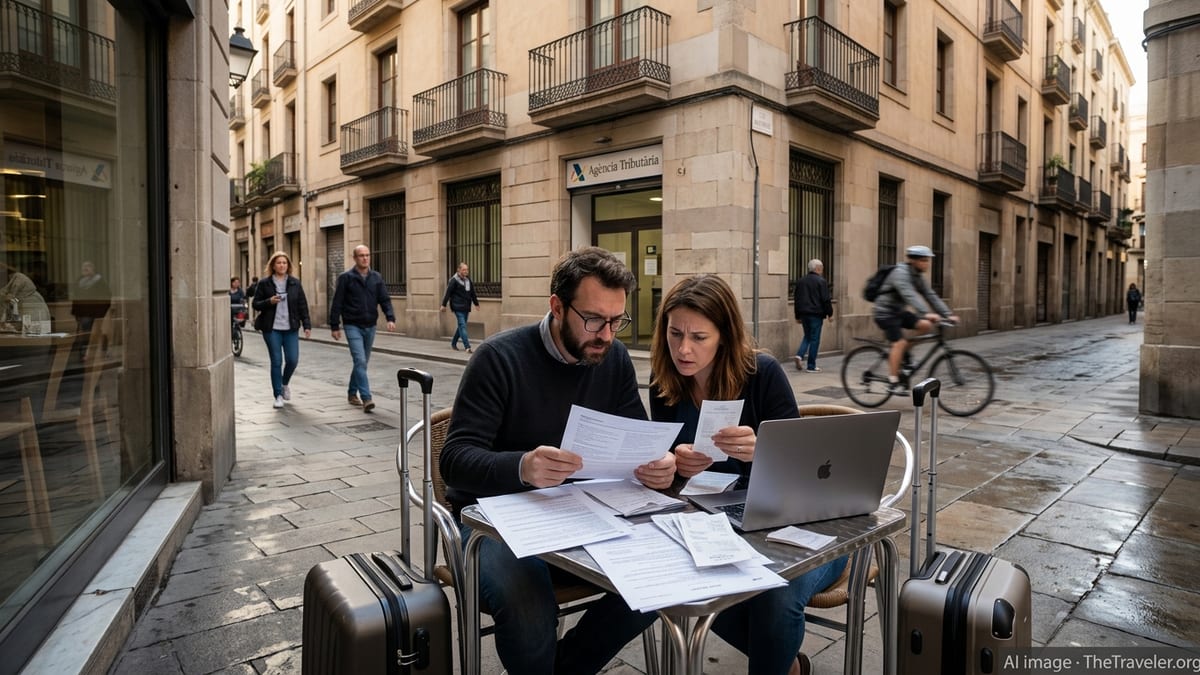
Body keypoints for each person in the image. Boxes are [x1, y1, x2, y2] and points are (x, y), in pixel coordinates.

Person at [440, 246, 676, 675]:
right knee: (527, 603)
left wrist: (656, 463)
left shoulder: (614, 358)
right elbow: (454, 460)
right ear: (556, 306)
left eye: (615, 321)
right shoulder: (498, 358)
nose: (605, 335)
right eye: (593, 320)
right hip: (491, 519)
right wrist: (522, 467)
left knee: (660, 575)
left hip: (584, 511)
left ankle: (566, 668)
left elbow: (635, 437)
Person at [649, 274, 841, 675]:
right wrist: (672, 461)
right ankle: (783, 664)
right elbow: (667, 470)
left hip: (796, 522)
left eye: (699, 337)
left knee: (775, 593)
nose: (683, 348)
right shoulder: (663, 381)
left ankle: (778, 663)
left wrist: (763, 453)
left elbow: (806, 470)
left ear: (724, 334)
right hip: (715, 525)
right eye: (674, 333)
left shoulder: (762, 373)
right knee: (673, 581)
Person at [872, 245, 958, 393]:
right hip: (885, 313)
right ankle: (893, 381)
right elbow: (909, 295)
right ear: (914, 261)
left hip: (898, 312)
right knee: (899, 343)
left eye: (927, 260)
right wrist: (926, 313)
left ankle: (903, 357)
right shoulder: (900, 274)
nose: (927, 264)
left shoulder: (917, 276)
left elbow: (930, 295)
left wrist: (947, 314)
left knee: (924, 326)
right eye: (924, 260)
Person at [329, 245, 396, 413]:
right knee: (360, 360)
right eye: (361, 256)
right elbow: (337, 302)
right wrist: (334, 325)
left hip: (370, 325)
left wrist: (390, 318)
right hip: (352, 325)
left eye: (367, 255)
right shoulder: (346, 278)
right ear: (355, 258)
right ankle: (367, 398)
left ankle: (352, 393)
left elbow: (385, 299)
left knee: (362, 362)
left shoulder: (376, 277)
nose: (365, 258)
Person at [252, 252, 311, 409]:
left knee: (292, 360)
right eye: (279, 263)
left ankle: (284, 384)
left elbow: (302, 305)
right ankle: (278, 395)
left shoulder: (294, 283)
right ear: (273, 265)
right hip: (272, 329)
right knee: (276, 361)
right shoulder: (265, 284)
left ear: (288, 265)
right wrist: (269, 301)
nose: (282, 265)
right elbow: (255, 304)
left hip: (290, 328)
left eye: (284, 263)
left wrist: (307, 325)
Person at [793, 258, 832, 373]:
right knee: (815, 339)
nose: (822, 271)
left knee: (808, 336)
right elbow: (826, 299)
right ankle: (811, 365)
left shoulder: (801, 281)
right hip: (816, 314)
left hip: (804, 314)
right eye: (822, 269)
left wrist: (797, 316)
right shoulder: (821, 281)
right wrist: (830, 313)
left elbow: (797, 299)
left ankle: (799, 355)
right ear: (818, 268)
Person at [440, 261, 480, 352]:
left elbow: (472, 293)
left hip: (466, 306)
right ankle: (467, 346)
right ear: (459, 270)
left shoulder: (468, 280)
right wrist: (443, 305)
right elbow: (448, 293)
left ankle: (454, 342)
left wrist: (476, 303)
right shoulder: (454, 280)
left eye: (467, 269)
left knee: (461, 326)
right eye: (464, 269)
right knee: (462, 325)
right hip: (457, 306)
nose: (466, 271)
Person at [70, 261, 112, 331]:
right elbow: (76, 297)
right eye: (84, 266)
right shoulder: (79, 281)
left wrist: (100, 311)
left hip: (93, 312)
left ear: (93, 268)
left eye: (88, 266)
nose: (86, 268)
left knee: (87, 328)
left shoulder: (100, 281)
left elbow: (106, 296)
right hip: (81, 312)